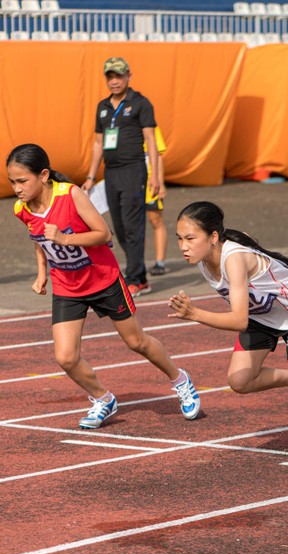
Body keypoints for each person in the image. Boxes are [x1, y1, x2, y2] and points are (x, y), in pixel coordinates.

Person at [8, 144, 200, 429]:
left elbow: (103, 233)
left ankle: (180, 380)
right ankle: (103, 399)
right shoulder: (21, 209)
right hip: (67, 286)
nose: (17, 188)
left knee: (136, 342)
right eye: (12, 181)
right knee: (65, 357)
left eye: (22, 181)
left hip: (103, 279)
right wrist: (41, 274)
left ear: (44, 175)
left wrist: (65, 239)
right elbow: (38, 239)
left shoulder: (72, 195)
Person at [168, 201, 288, 452]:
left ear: (213, 237)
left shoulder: (234, 259)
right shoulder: (203, 259)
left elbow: (239, 320)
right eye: (179, 239)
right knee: (240, 381)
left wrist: (194, 313)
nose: (183, 247)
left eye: (190, 238)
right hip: (262, 318)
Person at [82, 56, 160, 298]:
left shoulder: (140, 103)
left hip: (134, 170)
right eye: (110, 77)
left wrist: (155, 176)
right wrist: (91, 176)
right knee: (117, 226)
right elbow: (97, 144)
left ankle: (135, 278)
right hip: (111, 173)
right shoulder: (103, 107)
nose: (114, 81)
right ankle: (139, 273)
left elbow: (151, 141)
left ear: (128, 76)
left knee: (133, 225)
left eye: (119, 76)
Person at [146, 127, 168, 276]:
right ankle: (136, 263)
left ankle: (160, 262)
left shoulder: (151, 127)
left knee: (155, 219)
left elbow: (159, 156)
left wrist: (160, 182)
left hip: (150, 183)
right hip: (130, 184)